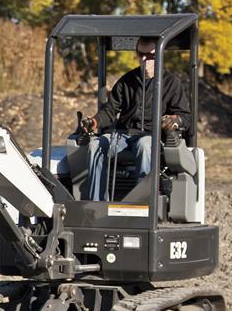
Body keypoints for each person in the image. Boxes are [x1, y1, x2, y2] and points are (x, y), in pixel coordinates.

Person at [75, 36, 191, 201]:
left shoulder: (172, 84)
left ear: (160, 56)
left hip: (153, 137)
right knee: (95, 145)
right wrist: (94, 122)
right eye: (141, 55)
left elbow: (185, 117)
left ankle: (144, 204)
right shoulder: (126, 81)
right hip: (123, 135)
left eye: (150, 56)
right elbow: (110, 111)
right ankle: (97, 205)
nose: (144, 60)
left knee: (145, 145)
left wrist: (174, 120)